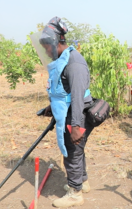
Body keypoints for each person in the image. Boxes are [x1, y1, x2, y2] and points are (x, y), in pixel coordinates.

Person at [38, 17, 94, 208]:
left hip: (77, 114)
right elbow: (62, 90)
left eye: (47, 46)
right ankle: (82, 181)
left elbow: (77, 96)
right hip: (70, 111)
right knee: (76, 151)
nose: (46, 50)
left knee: (72, 152)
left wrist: (76, 125)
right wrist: (50, 108)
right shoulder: (63, 59)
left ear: (57, 42)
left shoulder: (74, 62)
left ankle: (75, 193)